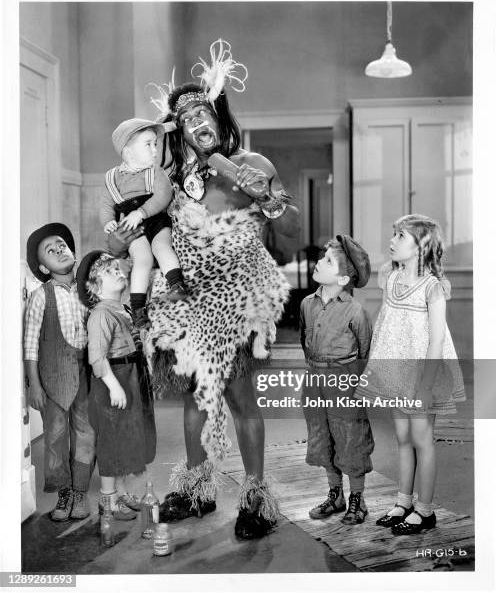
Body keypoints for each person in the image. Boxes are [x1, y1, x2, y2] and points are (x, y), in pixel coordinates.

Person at [112, 39, 299, 539]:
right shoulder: (168, 179)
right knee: (196, 398)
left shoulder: (252, 164)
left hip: (238, 299)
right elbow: (153, 235)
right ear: (178, 131)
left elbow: (291, 235)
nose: (198, 120)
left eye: (204, 110)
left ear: (219, 115)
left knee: (239, 397)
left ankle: (256, 497)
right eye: (186, 115)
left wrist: (274, 204)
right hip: (189, 302)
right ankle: (197, 487)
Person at [355, 214, 465, 535]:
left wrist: (426, 385)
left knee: (421, 438)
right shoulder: (390, 277)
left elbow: (436, 339)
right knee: (402, 438)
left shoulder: (432, 288)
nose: (392, 240)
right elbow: (365, 268)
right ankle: (403, 501)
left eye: (401, 236)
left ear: (421, 247)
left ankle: (425, 510)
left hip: (422, 375)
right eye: (394, 234)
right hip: (397, 373)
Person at [76, 250, 157, 519]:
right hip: (115, 378)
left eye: (118, 268)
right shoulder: (100, 314)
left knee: (125, 438)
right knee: (112, 440)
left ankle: (121, 493)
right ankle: (108, 498)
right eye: (111, 271)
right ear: (95, 285)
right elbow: (97, 358)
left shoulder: (121, 308)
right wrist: (113, 386)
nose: (120, 272)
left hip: (131, 374)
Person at [300, 236, 374, 525]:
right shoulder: (307, 304)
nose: (319, 261)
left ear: (343, 278)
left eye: (328, 261)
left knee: (350, 439)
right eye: (323, 257)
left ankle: (357, 498)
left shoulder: (356, 311)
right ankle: (336, 494)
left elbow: (365, 352)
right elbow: (306, 342)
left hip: (343, 381)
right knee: (322, 437)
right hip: (315, 379)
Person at [24, 223, 95, 521]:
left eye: (61, 245)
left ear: (73, 252)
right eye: (49, 251)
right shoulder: (41, 296)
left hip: (86, 374)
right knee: (54, 436)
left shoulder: (88, 289)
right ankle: (63, 492)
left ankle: (80, 491)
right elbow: (29, 344)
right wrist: (35, 385)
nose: (58, 250)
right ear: (42, 266)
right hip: (52, 378)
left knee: (86, 432)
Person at [101, 117, 187, 329]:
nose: (154, 150)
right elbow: (105, 203)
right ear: (128, 152)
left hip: (155, 218)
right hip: (132, 228)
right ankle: (138, 309)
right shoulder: (112, 178)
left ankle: (176, 285)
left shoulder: (155, 172)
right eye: (148, 145)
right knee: (142, 259)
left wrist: (141, 212)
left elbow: (163, 195)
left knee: (161, 246)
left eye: (155, 144)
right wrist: (108, 222)